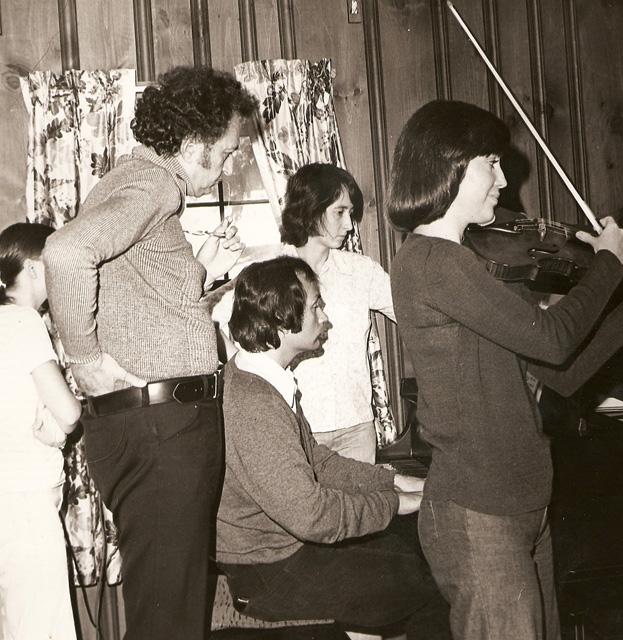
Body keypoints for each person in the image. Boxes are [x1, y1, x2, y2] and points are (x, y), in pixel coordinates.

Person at [386, 99, 623, 640]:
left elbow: (560, 372)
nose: (504, 179)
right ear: (448, 165)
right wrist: (609, 262)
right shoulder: (431, 261)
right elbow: (553, 338)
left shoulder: (469, 265)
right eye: (491, 163)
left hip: (520, 503)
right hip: (480, 512)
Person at [42, 66, 258, 640]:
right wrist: (84, 359)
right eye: (229, 150)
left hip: (155, 424)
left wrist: (199, 284)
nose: (234, 162)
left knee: (168, 607)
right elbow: (65, 254)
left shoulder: (130, 183)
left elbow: (137, 301)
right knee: (170, 618)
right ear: (193, 144)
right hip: (164, 428)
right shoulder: (155, 184)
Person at [215, 256, 451, 640]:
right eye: (316, 307)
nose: (325, 318)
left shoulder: (262, 379)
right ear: (282, 319)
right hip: (270, 571)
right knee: (432, 581)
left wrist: (394, 482)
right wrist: (396, 504)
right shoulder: (255, 404)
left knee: (415, 547)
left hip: (280, 554)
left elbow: (318, 462)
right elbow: (311, 517)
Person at [214, 162, 395, 464]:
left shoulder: (361, 271)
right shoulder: (269, 274)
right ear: (311, 210)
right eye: (340, 212)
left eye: (350, 213)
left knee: (361, 510)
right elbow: (210, 317)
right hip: (296, 429)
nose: (349, 225)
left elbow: (412, 311)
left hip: (357, 429)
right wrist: (243, 368)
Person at [0, 222, 82, 640]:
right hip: (27, 503)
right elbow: (67, 412)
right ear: (33, 268)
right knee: (40, 629)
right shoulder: (23, 321)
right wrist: (60, 432)